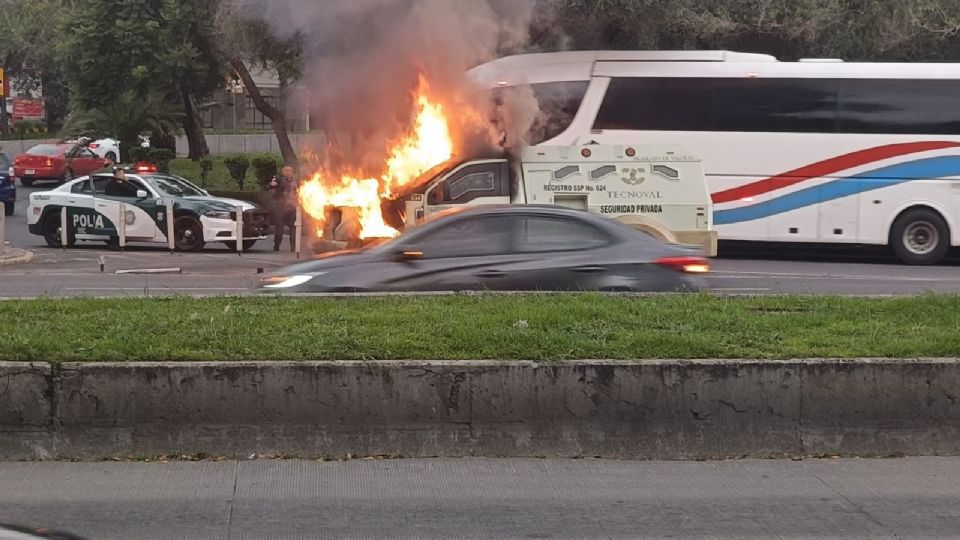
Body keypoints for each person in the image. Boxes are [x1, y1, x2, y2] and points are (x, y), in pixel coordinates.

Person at [269, 165, 299, 251]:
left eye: (289, 170)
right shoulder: (278, 179)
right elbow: (270, 186)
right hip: (281, 207)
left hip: (292, 206)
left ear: (292, 172)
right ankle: (277, 245)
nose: (288, 172)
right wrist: (271, 185)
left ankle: (293, 247)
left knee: (293, 227)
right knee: (279, 227)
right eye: (286, 170)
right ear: (283, 172)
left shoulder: (296, 181)